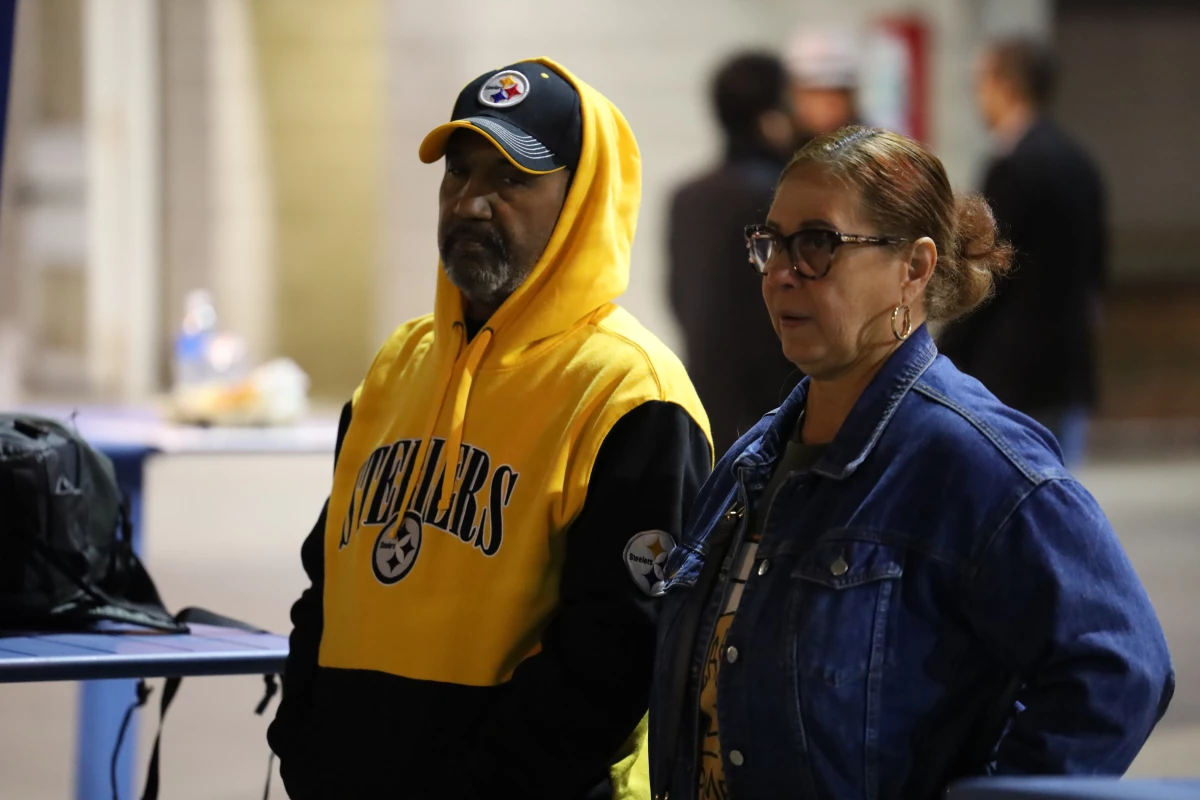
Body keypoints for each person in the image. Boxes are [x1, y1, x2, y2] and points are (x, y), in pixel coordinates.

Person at [648, 126, 1173, 800]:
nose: (781, 271)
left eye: (818, 243)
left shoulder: (973, 460)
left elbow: (1120, 666)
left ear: (915, 268)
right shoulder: (751, 461)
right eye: (771, 242)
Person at [267, 58, 713, 799]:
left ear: (582, 201)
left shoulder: (629, 392)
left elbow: (619, 650)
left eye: (512, 178)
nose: (471, 203)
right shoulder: (399, 365)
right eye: (460, 172)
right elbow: (327, 585)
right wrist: (307, 748)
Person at [938, 38, 1107, 466]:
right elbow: (1097, 272)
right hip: (1068, 368)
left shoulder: (1012, 166)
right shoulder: (1080, 162)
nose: (978, 97)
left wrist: (943, 353)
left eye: (982, 83)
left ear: (1005, 86)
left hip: (1011, 372)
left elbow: (986, 272)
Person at [668, 52, 798, 456]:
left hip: (706, 407)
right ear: (771, 118)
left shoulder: (687, 197)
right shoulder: (782, 199)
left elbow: (677, 296)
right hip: (776, 412)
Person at [785, 26, 863, 149]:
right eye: (813, 94)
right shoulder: (775, 148)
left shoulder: (873, 148)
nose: (824, 107)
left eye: (836, 93)